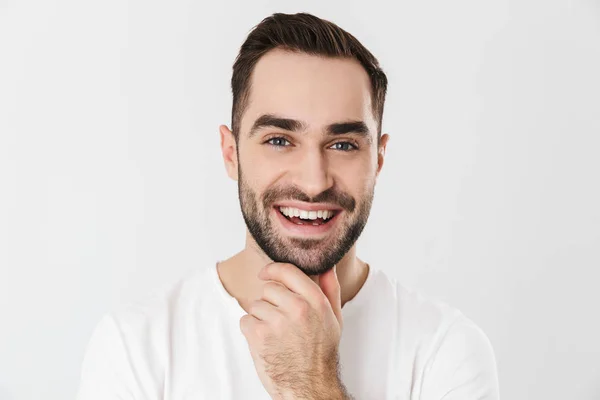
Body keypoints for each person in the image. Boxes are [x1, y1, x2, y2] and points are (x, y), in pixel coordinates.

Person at [76, 12, 500, 400]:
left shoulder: (446, 352)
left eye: (343, 144)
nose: (313, 182)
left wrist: (310, 385)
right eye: (279, 141)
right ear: (231, 153)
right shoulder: (135, 348)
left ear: (379, 159)